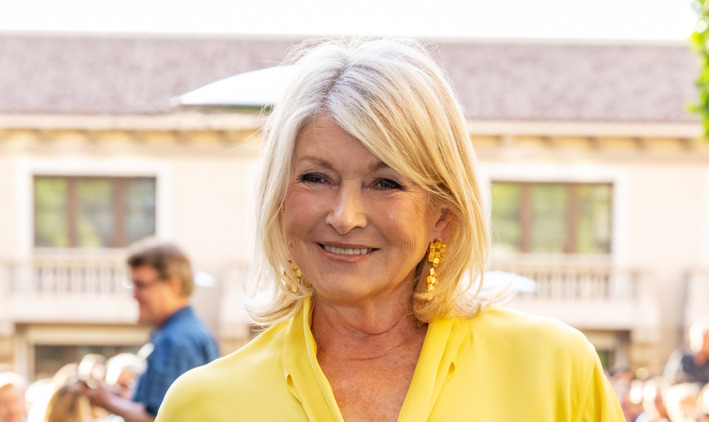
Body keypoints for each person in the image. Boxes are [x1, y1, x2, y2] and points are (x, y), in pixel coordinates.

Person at [157, 37, 624, 421]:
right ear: (278, 198)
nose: (345, 217)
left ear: (443, 213)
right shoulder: (202, 406)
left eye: (386, 183)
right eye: (316, 177)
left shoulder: (554, 370)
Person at [79, 239, 219, 422]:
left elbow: (155, 418)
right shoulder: (186, 332)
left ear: (174, 285)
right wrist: (115, 396)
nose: (134, 295)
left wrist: (106, 401)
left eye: (141, 285)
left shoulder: (176, 340)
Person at [664, 320, 709, 386]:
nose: (703, 344)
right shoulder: (681, 359)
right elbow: (668, 381)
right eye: (700, 339)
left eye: (707, 340)